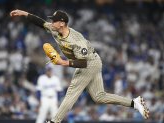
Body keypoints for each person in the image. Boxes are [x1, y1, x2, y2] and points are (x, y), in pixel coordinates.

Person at [10, 9, 149, 123]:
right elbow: (40, 23)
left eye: (54, 20)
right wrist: (24, 13)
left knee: (72, 92)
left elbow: (84, 63)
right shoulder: (55, 29)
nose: (52, 22)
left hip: (89, 62)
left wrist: (62, 62)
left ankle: (54, 121)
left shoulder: (76, 40)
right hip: (91, 61)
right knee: (99, 97)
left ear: (62, 23)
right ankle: (134, 103)